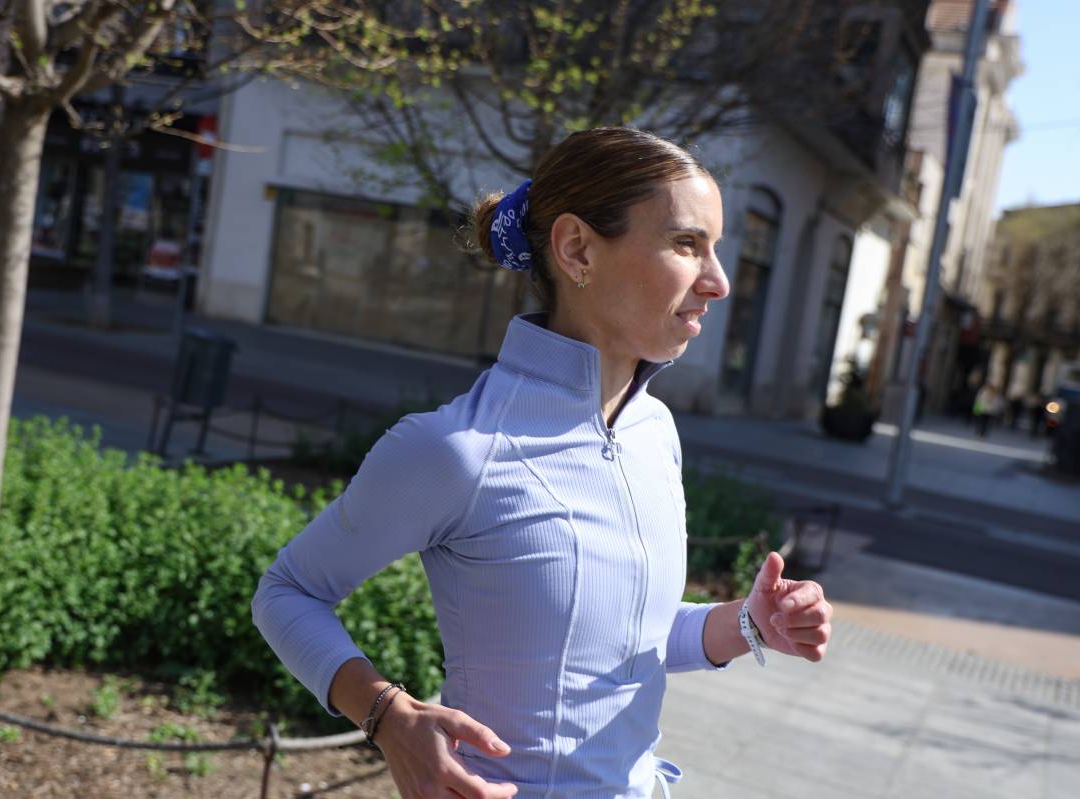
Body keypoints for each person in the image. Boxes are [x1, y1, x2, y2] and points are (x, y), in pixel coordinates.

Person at [252, 127, 834, 799]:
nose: (719, 282)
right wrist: (387, 714)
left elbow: (626, 639)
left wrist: (748, 623)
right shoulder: (458, 448)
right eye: (686, 244)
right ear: (577, 248)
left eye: (716, 248)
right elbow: (287, 590)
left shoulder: (655, 430)